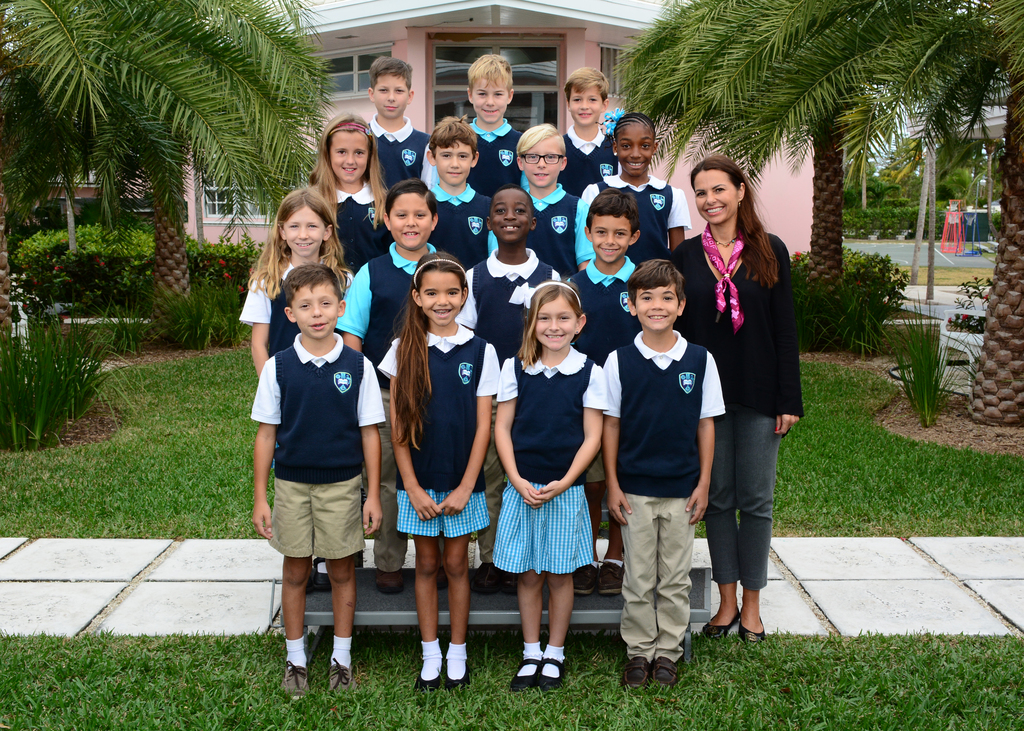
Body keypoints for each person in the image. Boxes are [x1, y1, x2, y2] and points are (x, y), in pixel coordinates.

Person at [671, 154, 802, 643]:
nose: (710, 201)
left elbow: (785, 329)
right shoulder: (685, 256)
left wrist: (789, 398)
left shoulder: (770, 249)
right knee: (719, 500)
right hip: (706, 399)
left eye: (719, 190)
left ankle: (752, 606)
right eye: (701, 193)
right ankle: (726, 601)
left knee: (757, 500)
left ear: (740, 191)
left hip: (760, 393)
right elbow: (675, 330)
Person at [251, 263, 384, 697]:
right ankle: (295, 658)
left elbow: (370, 433)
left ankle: (341, 657)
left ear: (341, 308)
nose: (317, 313)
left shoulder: (359, 366)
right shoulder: (278, 367)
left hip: (342, 486)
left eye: (326, 303)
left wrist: (372, 495)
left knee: (342, 568)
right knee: (295, 570)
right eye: (306, 306)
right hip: (291, 486)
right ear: (290, 314)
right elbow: (266, 434)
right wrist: (261, 497)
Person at [379, 253, 500, 690]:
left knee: (456, 563)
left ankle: (458, 652)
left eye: (451, 292)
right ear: (416, 297)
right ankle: (430, 652)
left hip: (462, 483)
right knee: (427, 563)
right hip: (420, 482)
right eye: (431, 292)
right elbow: (398, 429)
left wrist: (467, 486)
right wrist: (411, 487)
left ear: (464, 295)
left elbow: (484, 427)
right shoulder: (402, 349)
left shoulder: (482, 351)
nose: (442, 300)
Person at [604, 260, 725, 688]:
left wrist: (704, 483)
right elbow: (611, 425)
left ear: (681, 305)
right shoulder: (618, 361)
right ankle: (639, 650)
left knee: (674, 578)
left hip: (682, 490)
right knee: (638, 577)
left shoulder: (699, 359)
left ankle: (668, 651)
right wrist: (613, 484)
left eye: (667, 297)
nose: (657, 305)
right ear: (631, 305)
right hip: (634, 489)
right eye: (647, 298)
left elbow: (706, 424)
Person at [493, 280, 605, 692]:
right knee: (528, 574)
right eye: (544, 318)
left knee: (559, 575)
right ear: (531, 322)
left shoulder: (590, 372)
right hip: (523, 487)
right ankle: (530, 651)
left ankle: (555, 652)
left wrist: (566, 482)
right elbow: (502, 428)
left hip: (565, 489)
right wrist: (515, 479)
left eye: (563, 318)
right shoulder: (515, 368)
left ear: (580, 323)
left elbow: (592, 437)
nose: (554, 326)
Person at [456, 185, 558, 594]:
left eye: (519, 211)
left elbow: (557, 335)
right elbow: (464, 337)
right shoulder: (474, 277)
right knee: (490, 478)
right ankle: (493, 558)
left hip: (535, 398)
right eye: (500, 210)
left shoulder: (549, 277)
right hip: (490, 398)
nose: (510, 216)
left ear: (533, 222)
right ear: (488, 222)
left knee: (529, 478)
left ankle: (527, 557)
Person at [340, 178, 439, 593]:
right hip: (382, 394)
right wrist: (361, 388)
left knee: (435, 474)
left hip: (436, 395)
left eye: (419, 215)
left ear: (434, 220)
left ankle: (435, 558)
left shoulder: (447, 269)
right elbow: (352, 334)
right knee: (385, 480)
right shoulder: (372, 272)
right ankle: (389, 561)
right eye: (401, 215)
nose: (410, 223)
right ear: (386, 219)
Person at [567, 188, 643, 597]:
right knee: (590, 482)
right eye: (601, 232)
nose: (609, 241)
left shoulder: (642, 283)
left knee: (621, 478)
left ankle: (615, 556)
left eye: (619, 233)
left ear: (633, 236)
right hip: (585, 401)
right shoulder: (574, 285)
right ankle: (584, 555)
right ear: (588, 233)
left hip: (632, 399)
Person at [242, 188, 352, 376]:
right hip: (285, 380)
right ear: (282, 231)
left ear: (327, 232)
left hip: (334, 379)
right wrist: (269, 386)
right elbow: (258, 344)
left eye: (312, 226)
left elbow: (350, 337)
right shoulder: (266, 282)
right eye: (294, 226)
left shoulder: (344, 280)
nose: (303, 235)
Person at [581, 112, 690, 263]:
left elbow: (678, 257)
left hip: (656, 277)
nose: (636, 154)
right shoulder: (595, 192)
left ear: (654, 147)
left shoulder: (672, 195)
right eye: (626, 146)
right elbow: (586, 249)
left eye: (645, 146)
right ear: (615, 147)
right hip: (610, 277)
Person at [485, 124, 592, 277]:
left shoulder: (578, 209)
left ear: (563, 163)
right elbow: (495, 262)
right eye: (533, 157)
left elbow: (585, 267)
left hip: (562, 291)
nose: (541, 164)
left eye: (550, 157)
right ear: (520, 162)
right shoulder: (505, 211)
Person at [310, 112, 389, 273]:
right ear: (327, 153)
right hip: (324, 287)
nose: (350, 161)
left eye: (359, 152)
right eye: (341, 152)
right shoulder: (313, 202)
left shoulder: (385, 202)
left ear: (370, 155)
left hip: (375, 287)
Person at [426, 116, 491, 268]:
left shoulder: (489, 207)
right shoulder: (422, 205)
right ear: (432, 157)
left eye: (462, 156)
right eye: (446, 155)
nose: (454, 164)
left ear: (474, 159)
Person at [366, 57, 435, 188]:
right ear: (371, 94)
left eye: (399, 91)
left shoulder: (426, 143)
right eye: (383, 90)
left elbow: (428, 191)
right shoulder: (360, 136)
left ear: (410, 96)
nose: (391, 98)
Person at [465, 54, 522, 198]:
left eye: (498, 94)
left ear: (510, 96)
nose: (490, 102)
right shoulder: (459, 139)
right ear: (470, 95)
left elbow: (527, 193)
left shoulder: (522, 143)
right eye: (482, 94)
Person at [560, 68, 616, 198]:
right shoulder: (556, 148)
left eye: (592, 99)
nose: (584, 106)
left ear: (604, 105)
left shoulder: (615, 149)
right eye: (577, 99)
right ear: (568, 104)